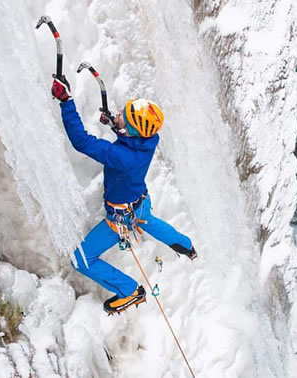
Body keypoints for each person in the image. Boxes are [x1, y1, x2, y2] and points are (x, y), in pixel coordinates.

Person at [51, 76, 197, 314]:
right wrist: (117, 124)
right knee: (151, 222)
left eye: (123, 116)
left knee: (80, 259)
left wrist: (66, 101)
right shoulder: (149, 140)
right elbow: (131, 139)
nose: (118, 112)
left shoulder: (122, 157)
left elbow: (82, 142)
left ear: (131, 130)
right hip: (139, 201)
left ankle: (129, 291)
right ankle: (187, 247)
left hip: (121, 217)